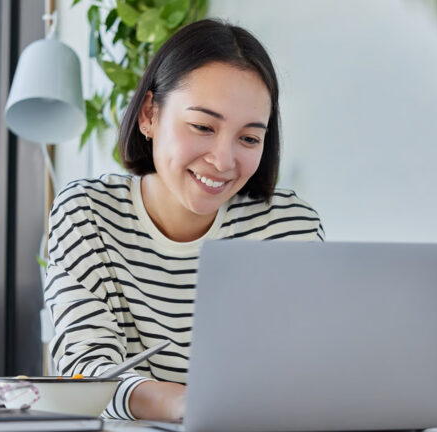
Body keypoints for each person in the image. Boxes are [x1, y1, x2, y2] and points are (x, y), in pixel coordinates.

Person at [44, 19, 324, 422]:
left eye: (249, 138)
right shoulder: (87, 216)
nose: (224, 161)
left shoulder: (288, 226)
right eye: (203, 127)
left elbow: (306, 373)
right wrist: (181, 404)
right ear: (148, 115)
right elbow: (85, 371)